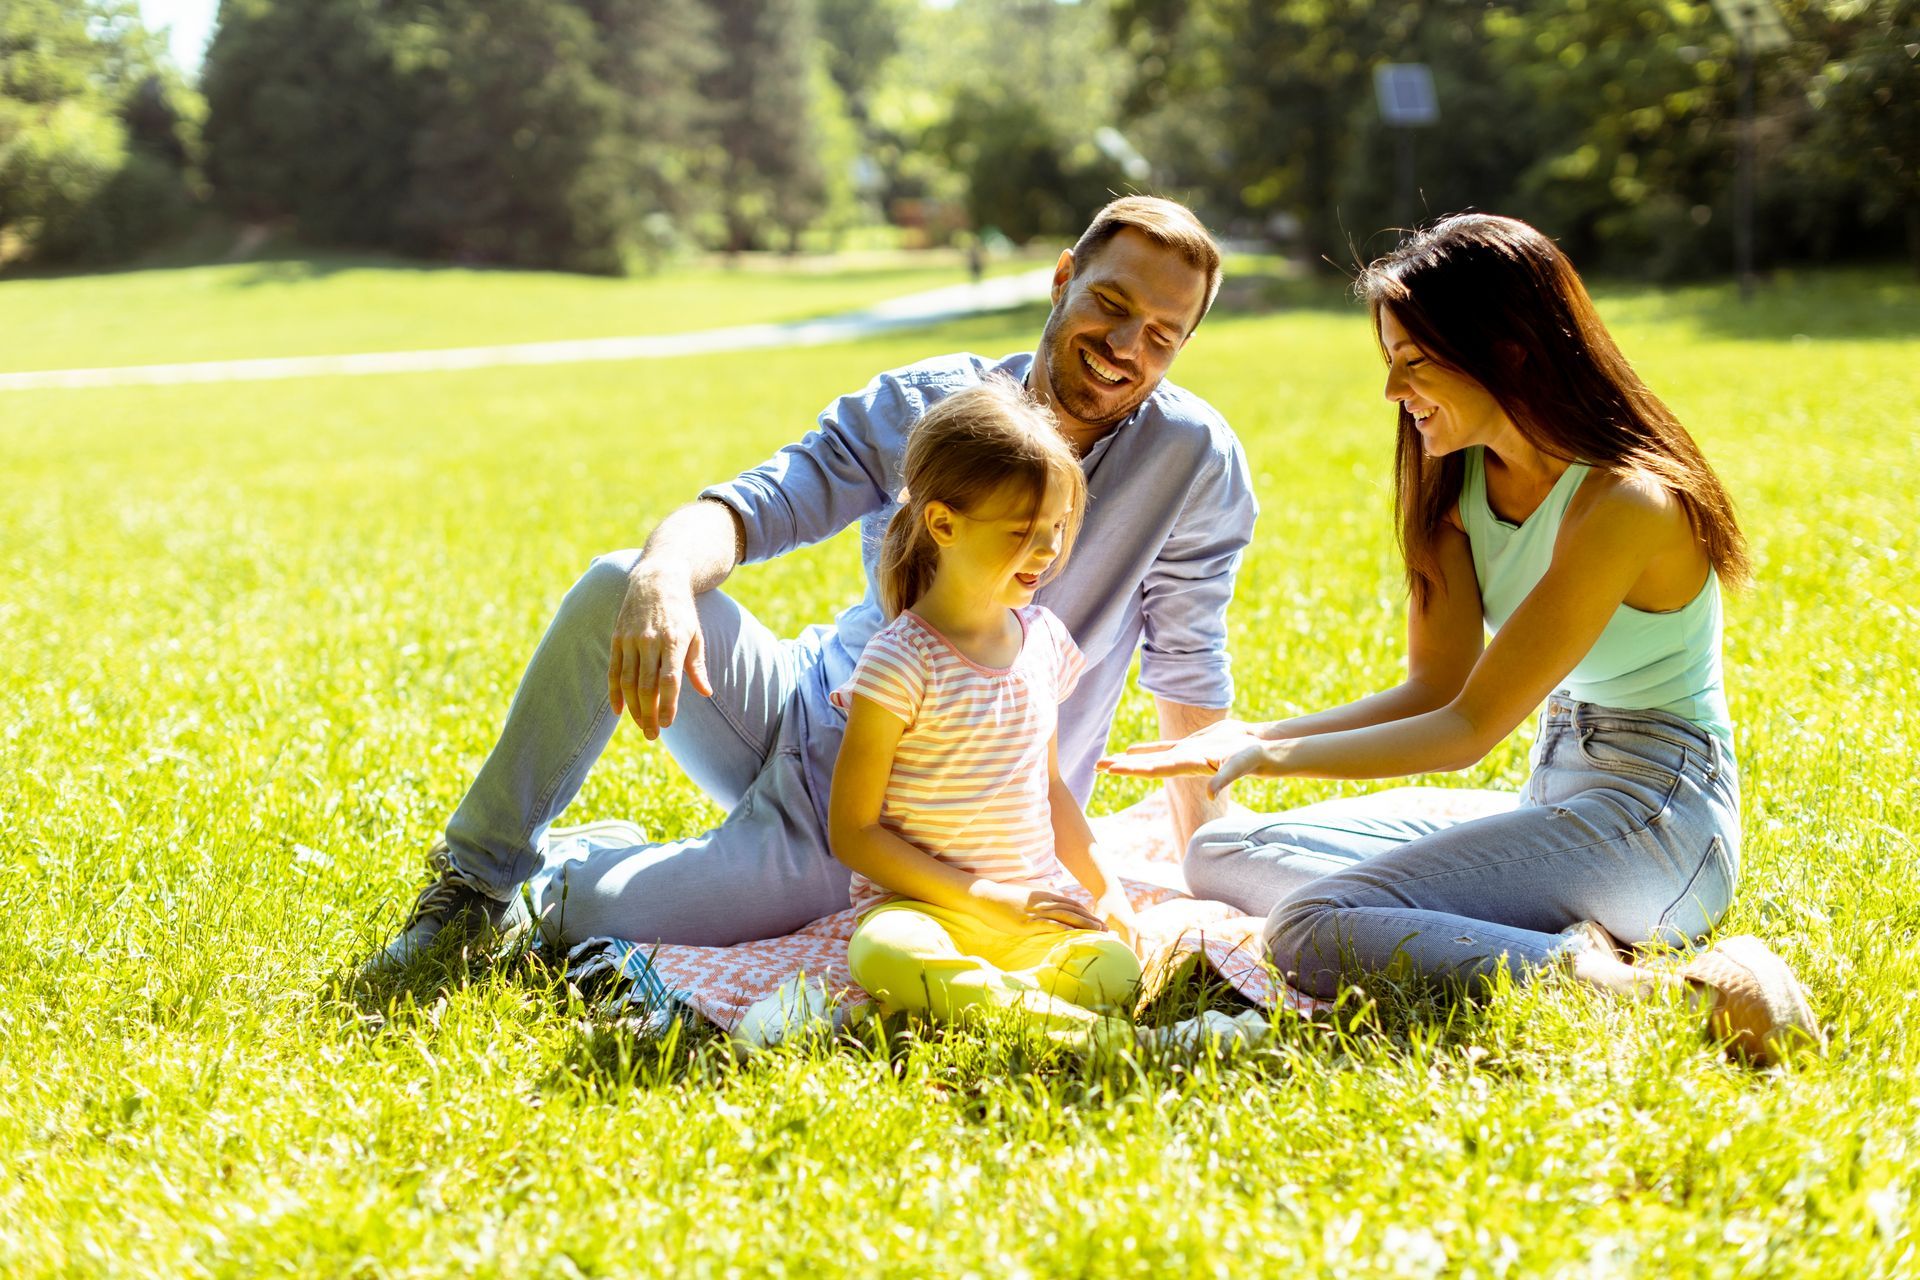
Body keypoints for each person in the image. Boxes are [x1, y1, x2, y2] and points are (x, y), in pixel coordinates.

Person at [363, 196, 1257, 974]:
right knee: (619, 584)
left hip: (933, 810)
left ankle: (589, 865)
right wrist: (665, 572)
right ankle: (476, 878)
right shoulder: (923, 402)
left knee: (592, 916)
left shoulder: (1193, 461)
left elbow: (1189, 669)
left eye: (1163, 335)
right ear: (1062, 278)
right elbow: (757, 507)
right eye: (1111, 303)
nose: (1126, 345)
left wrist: (1205, 868)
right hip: (815, 711)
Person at [1100, 213, 1819, 1065]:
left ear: (1507, 350)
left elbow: (1468, 730)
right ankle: (1479, 925)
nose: (1393, 392)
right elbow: (1432, 688)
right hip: (1555, 798)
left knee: (1311, 927)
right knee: (1221, 850)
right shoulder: (1457, 483)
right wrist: (1250, 738)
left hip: (1659, 826)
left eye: (1412, 361)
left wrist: (1269, 756)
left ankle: (1657, 991)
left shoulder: (1627, 501)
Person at [830, 379, 1140, 1044]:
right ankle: (1085, 1036)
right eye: (1023, 532)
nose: (1049, 550)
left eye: (1057, 527)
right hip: (925, 911)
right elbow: (852, 832)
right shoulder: (899, 662)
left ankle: (975, 1006)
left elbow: (1051, 787)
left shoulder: (1043, 643)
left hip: (1028, 916)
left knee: (1113, 968)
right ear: (944, 524)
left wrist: (1107, 889)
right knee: (883, 954)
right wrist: (985, 901)